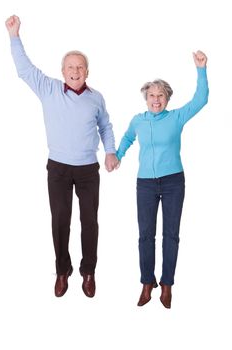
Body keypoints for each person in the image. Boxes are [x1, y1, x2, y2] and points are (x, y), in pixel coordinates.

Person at [5, 15, 119, 298]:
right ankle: (61, 271)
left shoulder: (97, 97)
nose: (75, 71)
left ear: (87, 71)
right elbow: (24, 69)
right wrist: (14, 35)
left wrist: (110, 151)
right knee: (59, 220)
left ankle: (89, 271)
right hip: (57, 167)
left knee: (90, 221)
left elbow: (105, 126)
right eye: (70, 67)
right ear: (63, 70)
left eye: (80, 67)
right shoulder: (49, 88)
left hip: (88, 169)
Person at [116, 51, 209, 308]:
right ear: (146, 98)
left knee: (171, 234)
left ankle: (167, 285)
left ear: (167, 98)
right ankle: (148, 282)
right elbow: (126, 138)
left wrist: (200, 69)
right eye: (152, 95)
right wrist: (118, 155)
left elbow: (200, 100)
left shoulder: (176, 117)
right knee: (145, 235)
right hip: (145, 183)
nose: (156, 100)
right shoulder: (138, 120)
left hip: (172, 182)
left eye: (161, 95)